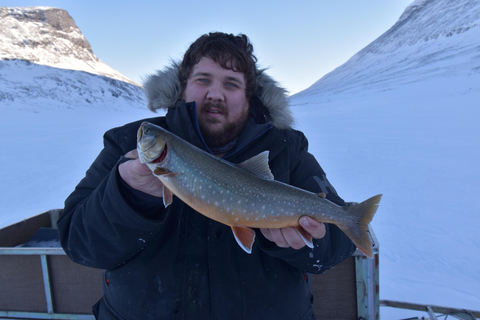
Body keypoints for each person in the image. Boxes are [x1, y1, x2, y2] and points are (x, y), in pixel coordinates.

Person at [58, 32, 356, 320]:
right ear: (182, 87)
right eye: (203, 80)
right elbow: (78, 243)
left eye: (231, 83)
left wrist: (304, 241)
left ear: (249, 96)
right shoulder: (125, 144)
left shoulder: (286, 149)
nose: (216, 94)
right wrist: (127, 196)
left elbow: (337, 243)